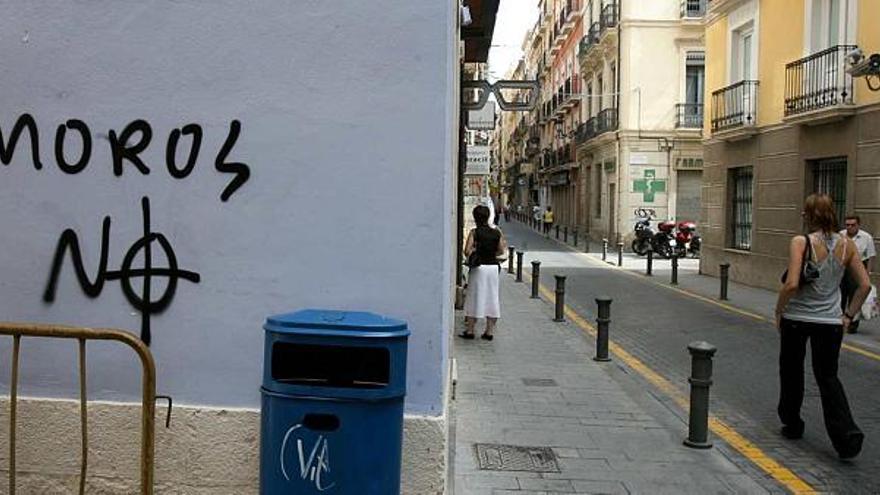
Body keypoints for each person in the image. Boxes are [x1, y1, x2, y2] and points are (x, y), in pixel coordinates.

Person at [775, 194, 870, 459]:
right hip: (830, 322)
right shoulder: (847, 245)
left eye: (806, 212)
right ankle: (846, 436)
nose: (803, 216)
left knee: (791, 369)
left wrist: (779, 309)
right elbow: (864, 285)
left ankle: (792, 423)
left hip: (797, 319)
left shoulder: (801, 242)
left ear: (811, 215)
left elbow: (792, 283)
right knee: (828, 376)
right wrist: (848, 316)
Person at [461, 205, 507, 341]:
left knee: (474, 296)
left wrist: (476, 250)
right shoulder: (496, 232)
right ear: (488, 217)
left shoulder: (474, 232)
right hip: (493, 268)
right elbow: (501, 250)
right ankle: (489, 331)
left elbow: (466, 251)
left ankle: (470, 330)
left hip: (479, 268)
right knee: (492, 297)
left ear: (475, 217)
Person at [839, 214, 875, 333]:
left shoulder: (866, 237)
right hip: (843, 268)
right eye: (847, 225)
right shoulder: (841, 235)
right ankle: (838, 322)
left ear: (858, 225)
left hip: (858, 269)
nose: (850, 227)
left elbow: (870, 257)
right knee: (840, 296)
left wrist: (867, 274)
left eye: (853, 225)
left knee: (855, 296)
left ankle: (852, 324)